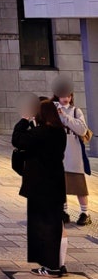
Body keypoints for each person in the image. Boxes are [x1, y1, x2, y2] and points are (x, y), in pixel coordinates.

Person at [12, 95, 68, 277]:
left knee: (44, 226)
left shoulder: (41, 132)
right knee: (54, 224)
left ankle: (50, 266)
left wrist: (23, 120)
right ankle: (55, 264)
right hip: (56, 184)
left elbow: (17, 139)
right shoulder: (60, 132)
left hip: (40, 185)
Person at [52, 79, 91, 226]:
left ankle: (85, 213)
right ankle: (64, 211)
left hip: (73, 153)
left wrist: (65, 117)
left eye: (68, 95)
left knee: (79, 185)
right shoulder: (52, 110)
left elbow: (82, 130)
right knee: (60, 184)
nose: (66, 98)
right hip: (57, 153)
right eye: (63, 95)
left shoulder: (75, 111)